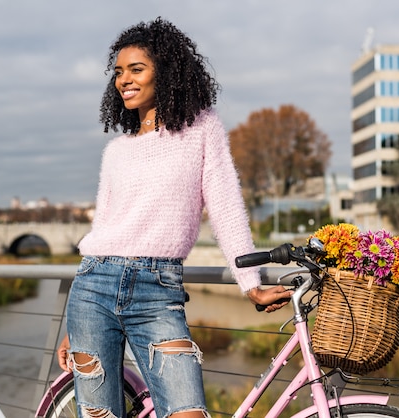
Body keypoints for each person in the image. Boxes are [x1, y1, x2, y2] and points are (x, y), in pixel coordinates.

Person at [56, 17, 292, 418]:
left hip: (158, 290)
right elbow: (103, 230)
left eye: (136, 69)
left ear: (164, 73)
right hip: (92, 288)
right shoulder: (116, 151)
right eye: (118, 72)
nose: (123, 80)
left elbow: (226, 206)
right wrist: (72, 328)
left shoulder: (202, 129)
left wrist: (250, 284)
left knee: (188, 412)